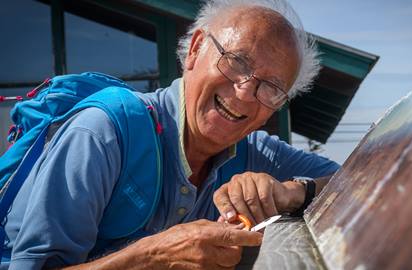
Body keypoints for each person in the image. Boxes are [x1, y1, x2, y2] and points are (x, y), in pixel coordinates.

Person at [1, 0, 339, 269]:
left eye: (272, 87)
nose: (245, 93)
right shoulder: (103, 133)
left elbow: (354, 179)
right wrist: (151, 258)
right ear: (195, 50)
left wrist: (291, 192)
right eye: (237, 62)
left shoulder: (256, 152)